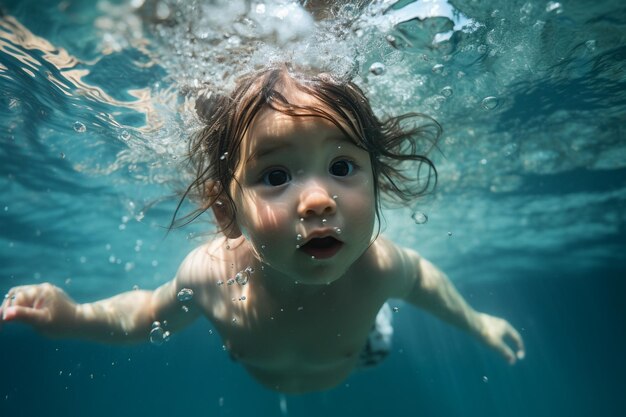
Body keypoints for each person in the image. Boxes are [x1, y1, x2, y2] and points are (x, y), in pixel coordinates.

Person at [0, 65, 524, 394]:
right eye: (275, 176)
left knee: (377, 329)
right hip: (272, 363)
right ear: (227, 212)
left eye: (342, 167)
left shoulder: (380, 267)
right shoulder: (210, 274)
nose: (318, 199)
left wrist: (477, 323)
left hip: (361, 355)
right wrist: (71, 317)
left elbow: (427, 284)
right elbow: (143, 315)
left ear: (377, 180)